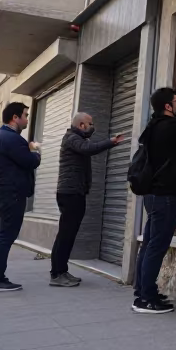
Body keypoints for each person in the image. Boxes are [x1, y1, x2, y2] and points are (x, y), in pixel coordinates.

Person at [132, 86, 176, 314]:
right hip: (165, 195)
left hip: (153, 194)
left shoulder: (153, 127)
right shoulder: (170, 127)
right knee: (156, 246)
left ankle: (142, 292)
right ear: (168, 106)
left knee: (149, 244)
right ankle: (146, 299)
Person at [52, 113, 124, 287]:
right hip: (70, 193)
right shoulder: (72, 138)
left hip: (75, 192)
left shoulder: (76, 138)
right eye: (90, 124)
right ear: (82, 125)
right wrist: (111, 142)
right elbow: (88, 149)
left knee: (69, 234)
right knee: (66, 234)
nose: (93, 127)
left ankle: (61, 270)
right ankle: (57, 274)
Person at [0, 103, 40, 293]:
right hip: (11, 194)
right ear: (15, 117)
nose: (27, 119)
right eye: (25, 115)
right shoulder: (12, 139)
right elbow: (29, 161)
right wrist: (34, 150)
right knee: (5, 236)